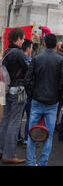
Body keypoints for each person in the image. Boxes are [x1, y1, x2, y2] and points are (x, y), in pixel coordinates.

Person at [24, 33, 63, 166]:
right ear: (56, 45)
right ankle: (43, 162)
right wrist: (58, 96)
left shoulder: (37, 58)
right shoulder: (61, 60)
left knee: (32, 132)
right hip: (52, 101)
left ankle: (31, 163)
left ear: (44, 44)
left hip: (37, 99)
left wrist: (31, 95)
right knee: (48, 134)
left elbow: (28, 80)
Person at [0, 28, 27, 164]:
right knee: (14, 122)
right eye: (22, 38)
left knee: (5, 120)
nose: (23, 41)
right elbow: (28, 70)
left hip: (4, 89)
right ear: (17, 38)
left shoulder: (6, 52)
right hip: (17, 90)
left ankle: (1, 150)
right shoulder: (19, 53)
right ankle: (9, 154)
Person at [20, 39, 33, 146]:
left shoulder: (16, 58)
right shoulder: (30, 61)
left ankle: (17, 137)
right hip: (28, 92)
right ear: (28, 48)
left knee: (17, 117)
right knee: (30, 116)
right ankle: (27, 139)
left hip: (18, 90)